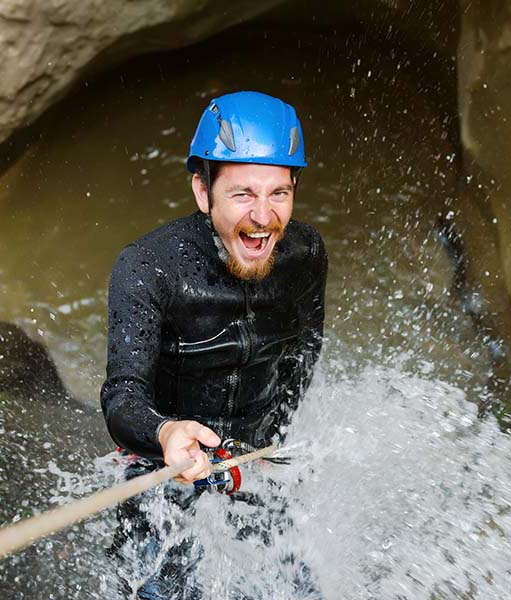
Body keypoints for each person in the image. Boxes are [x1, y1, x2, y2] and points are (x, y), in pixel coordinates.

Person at [100, 91, 327, 598]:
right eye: (243, 194)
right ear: (203, 192)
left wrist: (275, 441)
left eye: (279, 194)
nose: (264, 218)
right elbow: (121, 397)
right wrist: (163, 434)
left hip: (251, 464)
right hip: (164, 468)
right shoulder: (148, 267)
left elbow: (302, 354)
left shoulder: (306, 255)